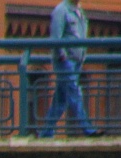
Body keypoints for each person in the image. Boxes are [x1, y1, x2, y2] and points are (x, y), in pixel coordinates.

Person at [39, 0, 100, 137]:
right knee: (74, 93)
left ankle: (46, 132)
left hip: (77, 61)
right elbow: (56, 38)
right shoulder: (61, 11)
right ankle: (87, 129)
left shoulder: (79, 11)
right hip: (65, 62)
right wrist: (62, 56)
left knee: (61, 99)